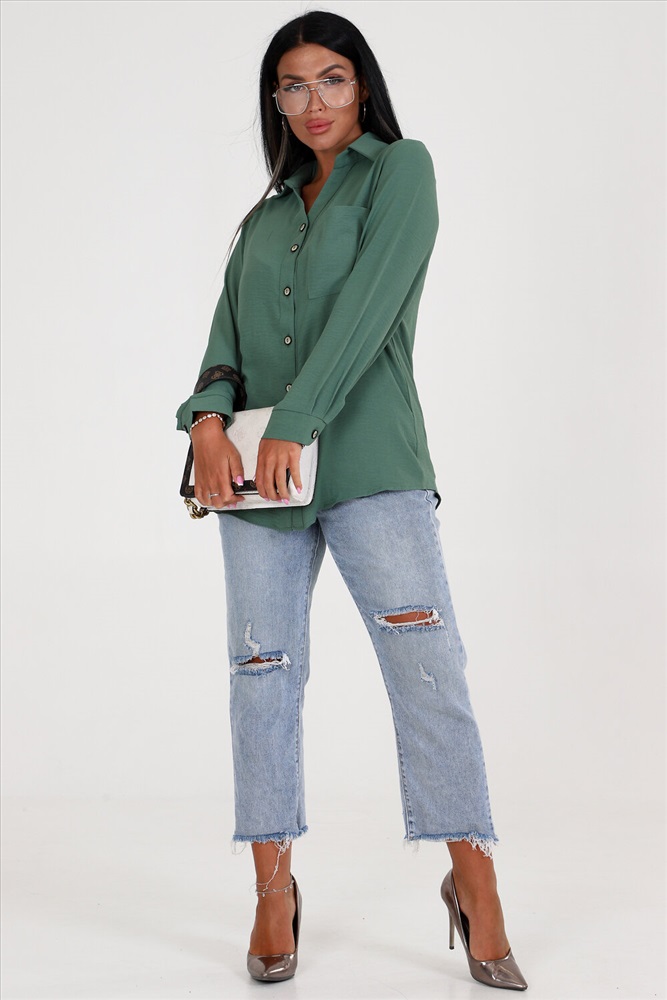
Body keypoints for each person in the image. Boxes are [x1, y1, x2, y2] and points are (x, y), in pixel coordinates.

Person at [176, 10, 528, 992]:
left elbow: (370, 309)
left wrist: (295, 419)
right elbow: (223, 342)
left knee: (426, 666)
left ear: (361, 85)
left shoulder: (400, 172)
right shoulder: (265, 216)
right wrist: (206, 423)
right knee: (259, 674)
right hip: (258, 484)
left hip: (371, 464)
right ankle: (272, 891)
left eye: (330, 78)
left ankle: (474, 882)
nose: (313, 101)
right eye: (292, 85)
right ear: (275, 102)